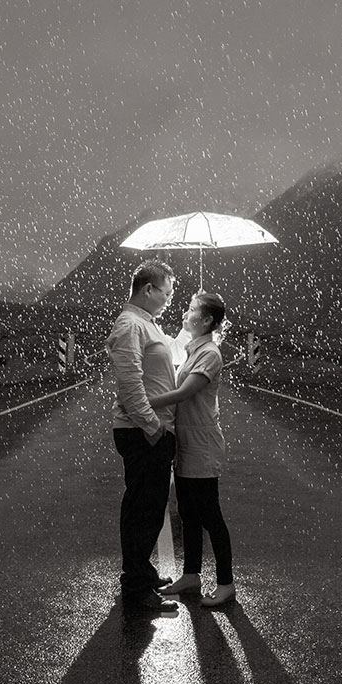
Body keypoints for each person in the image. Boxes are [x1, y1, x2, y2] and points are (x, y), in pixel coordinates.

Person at [147, 290, 235, 608]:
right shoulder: (193, 349)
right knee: (187, 513)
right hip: (186, 442)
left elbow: (184, 393)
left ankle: (226, 583)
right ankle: (192, 575)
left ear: (207, 319)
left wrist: (142, 404)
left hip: (202, 444)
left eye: (191, 309)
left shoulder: (210, 353)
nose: (185, 312)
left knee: (209, 514)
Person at [107, 259, 179, 615]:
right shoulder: (130, 326)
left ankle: (142, 573)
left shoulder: (147, 325)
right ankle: (137, 589)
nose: (168, 299)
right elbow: (130, 385)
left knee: (147, 508)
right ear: (148, 289)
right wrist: (154, 428)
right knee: (143, 509)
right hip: (141, 432)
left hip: (147, 430)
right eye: (165, 292)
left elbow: (165, 365)